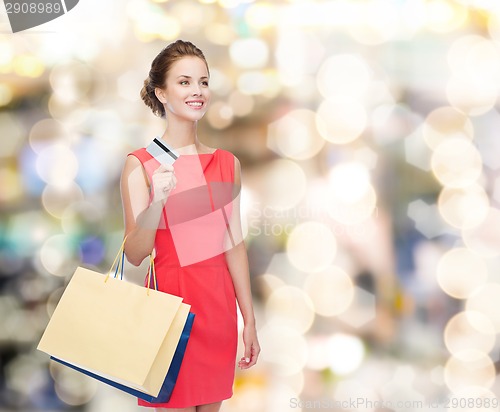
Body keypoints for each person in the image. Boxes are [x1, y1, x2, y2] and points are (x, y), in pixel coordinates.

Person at [119, 40, 260, 412]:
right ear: (161, 92)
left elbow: (233, 246)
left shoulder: (227, 164)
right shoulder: (142, 165)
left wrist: (249, 320)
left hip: (217, 314)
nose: (197, 91)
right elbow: (135, 254)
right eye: (184, 82)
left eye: (203, 81)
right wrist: (157, 201)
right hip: (169, 313)